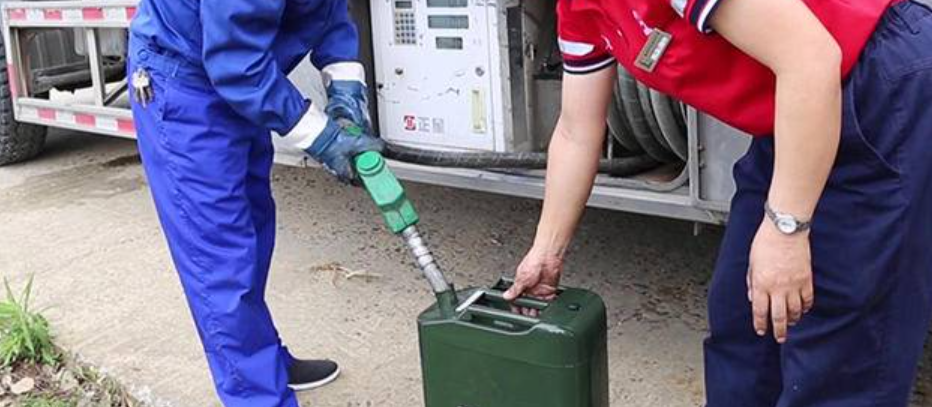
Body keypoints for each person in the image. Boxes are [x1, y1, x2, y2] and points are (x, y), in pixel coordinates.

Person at [503, 0, 932, 405]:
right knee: (744, 322)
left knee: (841, 349)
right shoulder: (580, 9)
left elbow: (811, 58)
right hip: (793, 106)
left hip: (877, 85)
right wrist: (546, 250)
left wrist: (787, 229)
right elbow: (577, 130)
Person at [126, 0, 383, 406]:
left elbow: (331, 12)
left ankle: (262, 363)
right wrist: (325, 138)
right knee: (220, 263)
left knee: (254, 233)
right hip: (186, 84)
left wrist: (346, 89)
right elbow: (237, 63)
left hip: (242, 76)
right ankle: (257, 393)